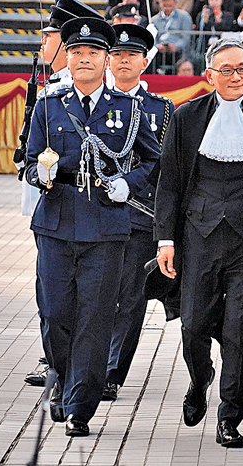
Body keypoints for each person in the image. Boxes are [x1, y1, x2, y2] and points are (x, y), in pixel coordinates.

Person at [154, 37, 243, 448]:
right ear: (210, 75)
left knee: (240, 327)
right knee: (193, 323)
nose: (238, 76)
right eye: (228, 70)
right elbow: (170, 182)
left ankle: (230, 415)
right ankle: (201, 380)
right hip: (198, 236)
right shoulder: (186, 117)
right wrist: (165, 239)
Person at [24, 16, 160, 437]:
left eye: (94, 53)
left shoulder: (129, 109)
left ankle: (81, 404)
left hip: (107, 226)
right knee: (55, 314)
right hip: (56, 222)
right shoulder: (48, 104)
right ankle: (63, 381)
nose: (84, 60)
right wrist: (41, 174)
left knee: (96, 316)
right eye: (77, 53)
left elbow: (155, 160)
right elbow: (26, 161)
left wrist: (127, 183)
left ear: (106, 60)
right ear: (67, 57)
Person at [102, 23, 175, 401]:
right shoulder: (92, 102)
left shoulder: (161, 110)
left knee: (129, 297)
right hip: (96, 214)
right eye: (116, 55)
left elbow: (169, 168)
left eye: (131, 55)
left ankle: (112, 372)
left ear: (145, 62)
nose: (123, 61)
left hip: (139, 216)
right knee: (94, 294)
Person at [151, 0, 193, 68]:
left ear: (175, 3)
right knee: (151, 57)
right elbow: (153, 38)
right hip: (160, 50)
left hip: (178, 50)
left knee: (181, 57)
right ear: (160, 3)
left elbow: (186, 38)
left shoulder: (184, 16)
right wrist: (157, 46)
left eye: (170, 6)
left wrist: (176, 46)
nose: (167, 8)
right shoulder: (154, 20)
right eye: (164, 6)